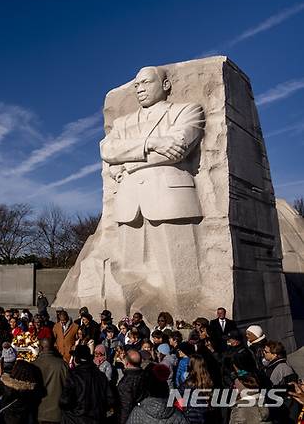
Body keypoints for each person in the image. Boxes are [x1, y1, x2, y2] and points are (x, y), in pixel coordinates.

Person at [100, 65, 206, 317]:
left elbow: (179, 147)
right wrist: (153, 143)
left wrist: (127, 163)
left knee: (178, 276)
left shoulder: (187, 110)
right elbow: (107, 151)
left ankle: (185, 322)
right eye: (136, 85)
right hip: (129, 203)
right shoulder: (123, 122)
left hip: (169, 197)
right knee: (129, 276)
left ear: (166, 85)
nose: (140, 89)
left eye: (146, 83)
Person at [59, 344, 114, 424]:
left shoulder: (73, 375)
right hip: (96, 419)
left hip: (76, 419)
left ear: (76, 359)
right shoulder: (101, 375)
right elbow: (110, 400)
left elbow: (64, 401)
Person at [32, 337, 68, 424]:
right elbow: (69, 388)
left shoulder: (34, 365)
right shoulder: (62, 365)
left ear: (40, 348)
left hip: (39, 413)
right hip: (57, 414)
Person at [118, 349, 147, 424]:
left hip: (133, 417)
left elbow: (126, 407)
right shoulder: (147, 376)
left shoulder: (125, 383)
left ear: (127, 363)